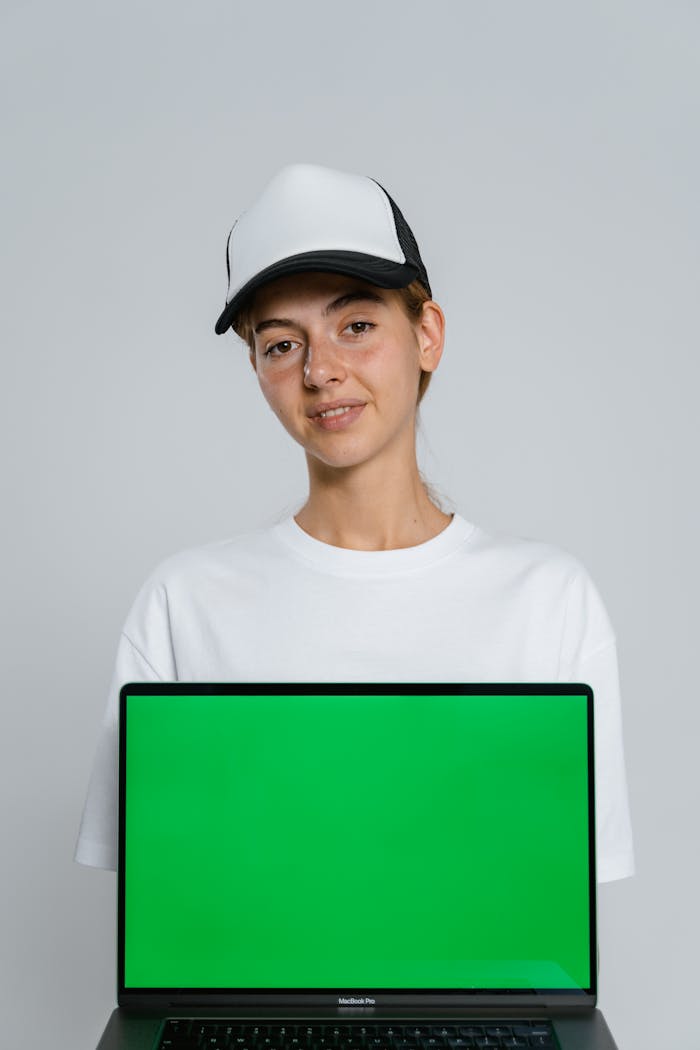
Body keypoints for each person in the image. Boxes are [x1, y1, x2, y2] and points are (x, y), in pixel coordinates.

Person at [74, 162, 635, 882]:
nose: (319, 371)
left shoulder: (547, 601)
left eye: (357, 325)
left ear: (427, 334)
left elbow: (552, 910)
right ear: (256, 368)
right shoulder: (184, 604)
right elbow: (167, 905)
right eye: (282, 344)